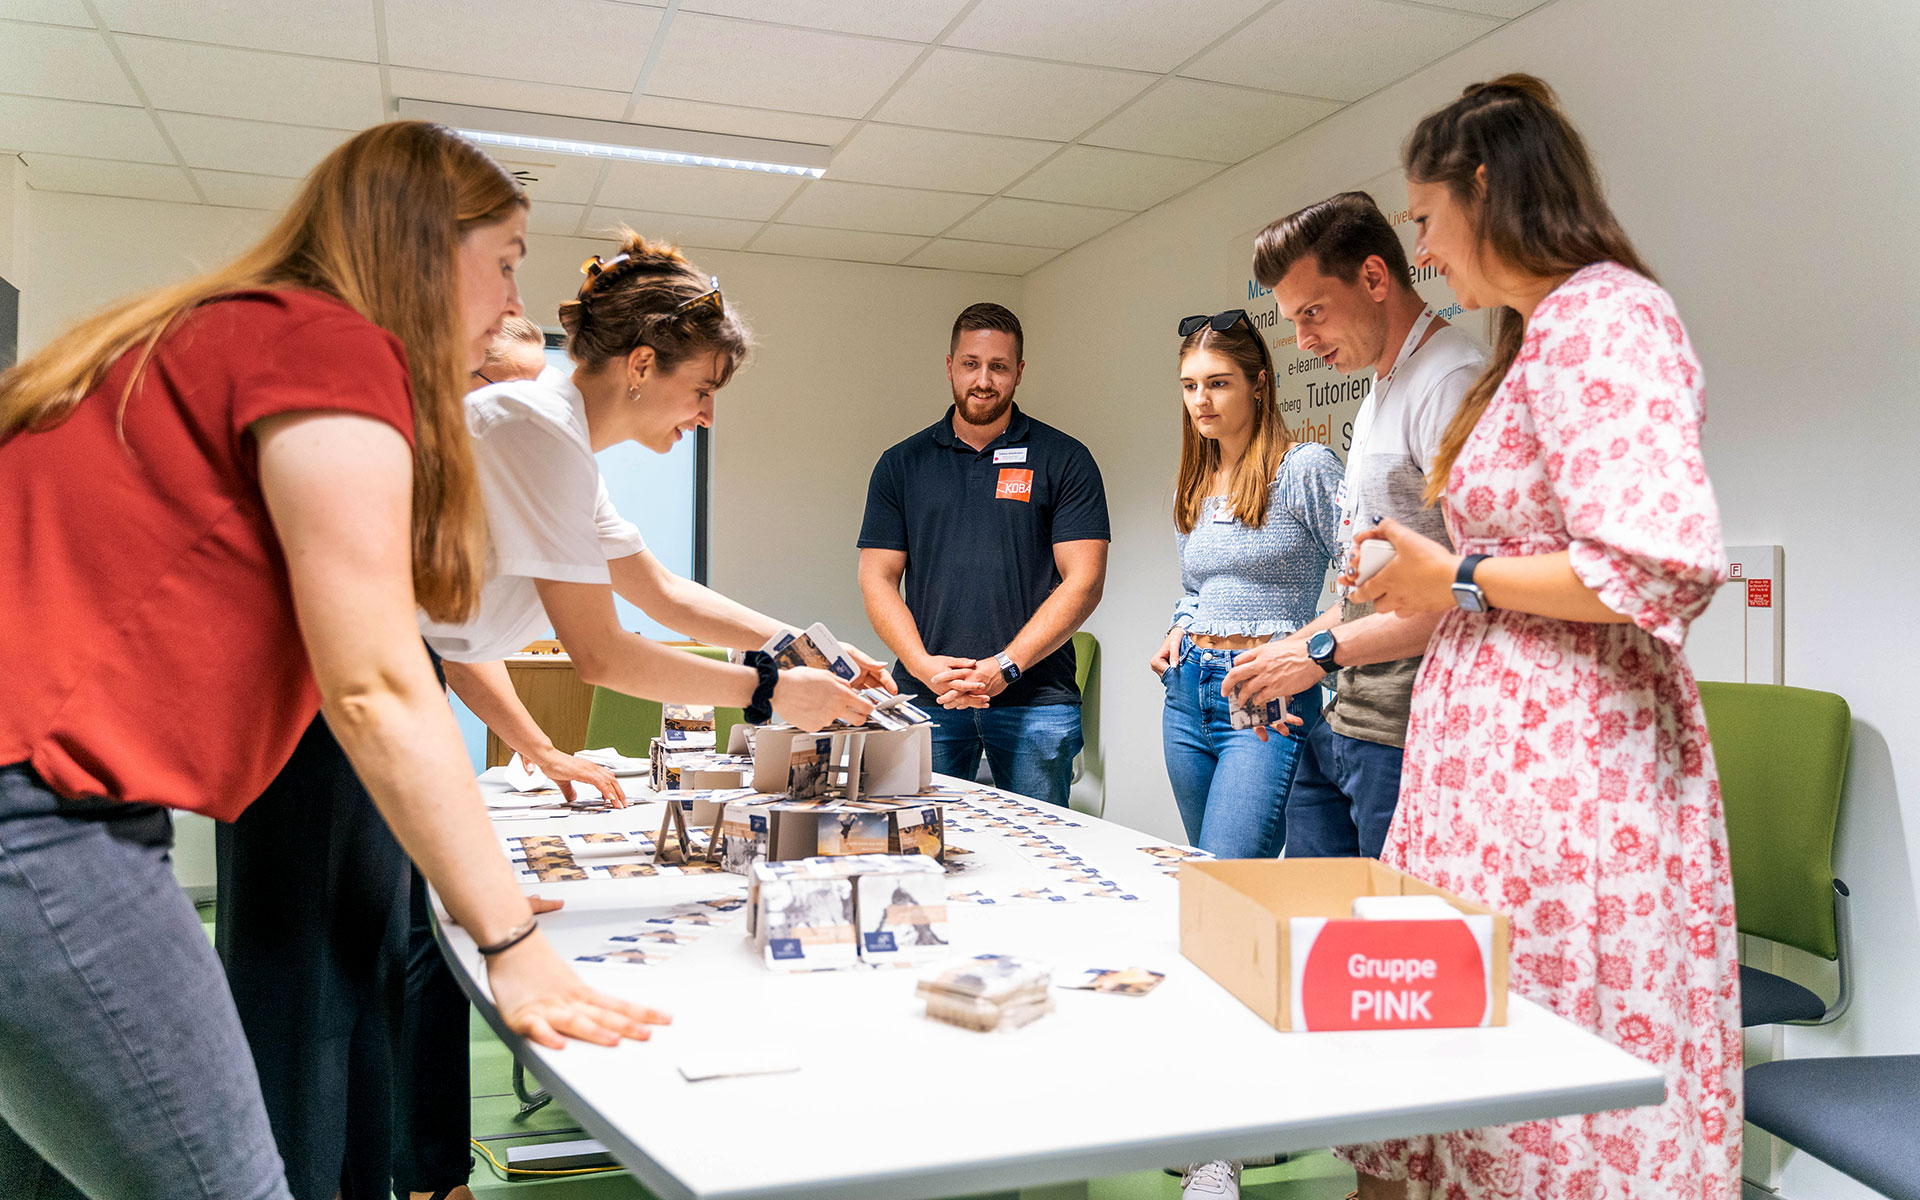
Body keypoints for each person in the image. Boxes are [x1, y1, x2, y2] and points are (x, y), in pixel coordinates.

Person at [0, 120, 660, 1200]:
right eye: (503, 263)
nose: (509, 305)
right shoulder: (328, 343)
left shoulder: (203, 331)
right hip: (37, 824)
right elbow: (378, 680)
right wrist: (509, 941)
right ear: (422, 245)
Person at [1339, 75, 1739, 1200]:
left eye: (1424, 217)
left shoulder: (1608, 315)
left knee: (1559, 1058)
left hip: (1573, 772)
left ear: (1482, 187)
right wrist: (1431, 579)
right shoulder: (1532, 337)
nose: (1422, 248)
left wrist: (1453, 573)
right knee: (1479, 1057)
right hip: (1497, 766)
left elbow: (1657, 563)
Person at [1220, 192, 1486, 859]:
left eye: (1313, 313)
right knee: (1322, 937)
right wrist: (1279, 657)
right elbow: (1370, 592)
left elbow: (1472, 594)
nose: (1303, 341)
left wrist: (1313, 655)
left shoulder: (1450, 381)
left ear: (1374, 278)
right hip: (1347, 722)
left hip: (1414, 734)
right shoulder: (1377, 395)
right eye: (1292, 320)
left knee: (1394, 952)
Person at [858, 303, 1110, 808]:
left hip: (1035, 703)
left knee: (1038, 855)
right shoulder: (901, 465)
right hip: (928, 698)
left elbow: (1083, 580)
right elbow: (877, 578)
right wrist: (924, 665)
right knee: (920, 850)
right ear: (950, 365)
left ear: (1018, 372)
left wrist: (1006, 666)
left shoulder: (1064, 459)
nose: (983, 380)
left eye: (998, 366)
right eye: (971, 364)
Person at [1151, 309, 1342, 859]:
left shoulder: (1305, 469)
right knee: (1207, 872)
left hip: (1263, 689)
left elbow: (1367, 585)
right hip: (1187, 693)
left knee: (1230, 869)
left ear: (1259, 384)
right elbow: (1195, 588)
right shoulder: (1192, 481)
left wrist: (1298, 649)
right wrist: (1179, 625)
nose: (1200, 401)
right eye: (1190, 386)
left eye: (1217, 383)